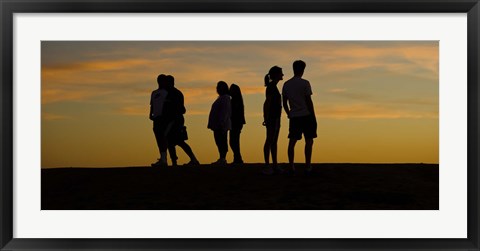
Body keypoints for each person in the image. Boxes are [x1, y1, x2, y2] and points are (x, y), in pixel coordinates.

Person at [282, 60, 317, 174]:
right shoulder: (305, 83)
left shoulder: (287, 84)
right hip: (306, 115)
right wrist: (313, 115)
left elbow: (284, 102)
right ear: (302, 70)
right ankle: (308, 165)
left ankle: (291, 165)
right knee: (309, 140)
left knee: (292, 142)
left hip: (294, 116)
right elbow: (308, 101)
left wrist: (289, 113)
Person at [164, 75, 200, 167]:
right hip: (173, 119)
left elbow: (180, 108)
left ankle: (192, 159)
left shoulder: (174, 93)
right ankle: (175, 162)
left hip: (175, 120)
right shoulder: (172, 93)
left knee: (179, 141)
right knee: (171, 141)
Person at [262, 66, 284, 175]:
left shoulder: (273, 87)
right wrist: (265, 118)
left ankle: (274, 164)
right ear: (276, 75)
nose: (283, 75)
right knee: (269, 140)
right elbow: (267, 103)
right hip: (272, 118)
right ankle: (267, 165)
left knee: (274, 141)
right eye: (281, 73)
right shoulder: (271, 87)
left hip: (276, 117)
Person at [207, 81, 232, 165]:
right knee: (219, 141)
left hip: (221, 125)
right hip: (218, 125)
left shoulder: (225, 98)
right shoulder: (221, 98)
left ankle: (223, 158)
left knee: (222, 142)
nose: (217, 89)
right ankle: (221, 158)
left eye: (219, 87)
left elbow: (225, 112)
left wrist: (221, 123)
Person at [150, 74, 170, 167]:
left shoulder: (167, 92)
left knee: (163, 137)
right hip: (156, 118)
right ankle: (162, 158)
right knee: (158, 138)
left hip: (164, 118)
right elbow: (152, 105)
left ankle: (164, 159)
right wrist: (151, 114)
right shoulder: (154, 93)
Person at [229, 83, 246, 165]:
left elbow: (233, 112)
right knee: (234, 141)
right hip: (237, 122)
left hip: (236, 122)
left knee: (233, 141)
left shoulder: (235, 101)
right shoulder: (236, 100)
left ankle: (238, 158)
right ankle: (237, 158)